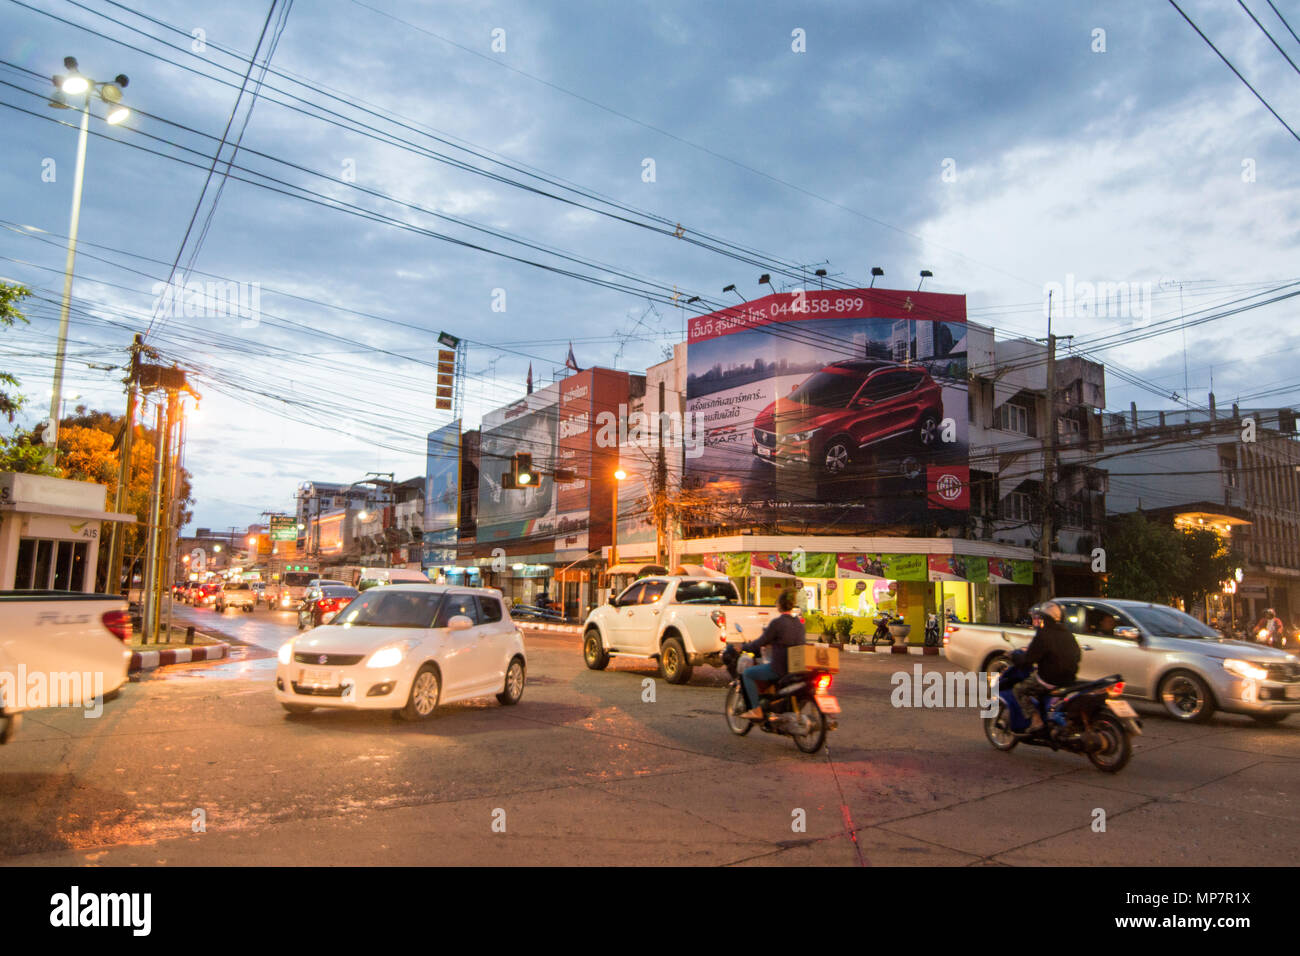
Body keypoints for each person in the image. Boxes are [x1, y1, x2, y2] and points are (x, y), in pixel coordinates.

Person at [1012, 602, 1081, 734]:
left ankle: (1036, 720)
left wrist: (1015, 657)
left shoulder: (1043, 635)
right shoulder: (1068, 634)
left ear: (1044, 618)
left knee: (1019, 690)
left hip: (1049, 680)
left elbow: (1028, 659)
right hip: (1069, 679)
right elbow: (1077, 655)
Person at [738, 589, 806, 720]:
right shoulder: (798, 624)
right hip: (796, 668)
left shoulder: (777, 623)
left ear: (779, 605)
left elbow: (761, 642)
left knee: (748, 674)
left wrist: (744, 647)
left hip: (779, 668)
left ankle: (756, 710)